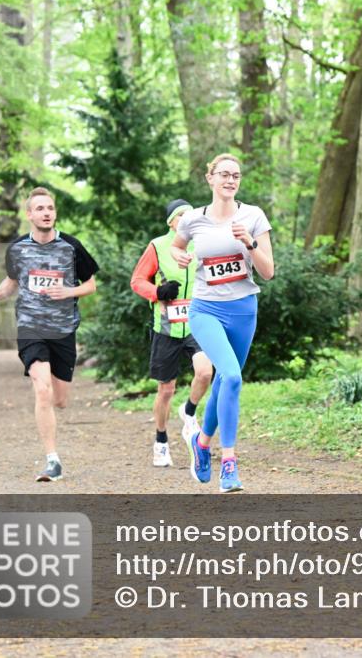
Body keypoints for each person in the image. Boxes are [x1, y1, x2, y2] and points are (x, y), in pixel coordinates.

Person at [0, 186, 99, 482]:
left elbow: (91, 285)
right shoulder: (17, 248)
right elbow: (11, 282)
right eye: (40, 209)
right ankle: (52, 460)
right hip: (30, 326)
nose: (46, 213)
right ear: (29, 214)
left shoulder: (71, 246)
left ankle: (52, 412)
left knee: (60, 399)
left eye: (50, 208)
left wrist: (68, 291)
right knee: (41, 389)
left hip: (63, 330)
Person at [170, 153, 274, 492]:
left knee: (226, 382)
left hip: (243, 310)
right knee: (231, 375)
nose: (230, 180)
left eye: (236, 175)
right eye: (224, 174)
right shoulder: (193, 219)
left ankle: (201, 443)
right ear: (210, 178)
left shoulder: (253, 216)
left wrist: (250, 243)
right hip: (206, 309)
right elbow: (176, 247)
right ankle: (228, 463)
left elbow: (268, 272)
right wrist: (179, 256)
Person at [130, 199, 214, 467]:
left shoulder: (203, 244)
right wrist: (158, 292)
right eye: (181, 216)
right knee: (166, 389)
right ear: (171, 222)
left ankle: (188, 411)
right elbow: (137, 281)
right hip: (166, 327)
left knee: (205, 372)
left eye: (190, 214)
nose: (187, 219)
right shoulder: (158, 246)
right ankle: (161, 442)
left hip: (197, 323)